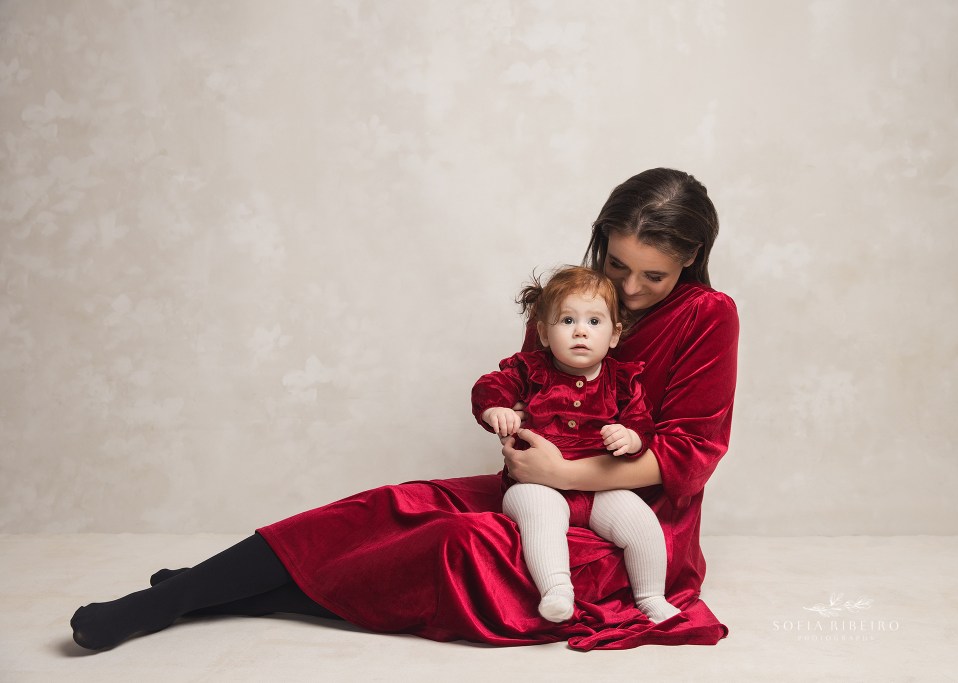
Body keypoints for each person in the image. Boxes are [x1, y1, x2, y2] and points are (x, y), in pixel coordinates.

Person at [70, 167, 738, 652]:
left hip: (630, 520)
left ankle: (205, 595)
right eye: (618, 266)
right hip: (539, 492)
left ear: (691, 259)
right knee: (394, 505)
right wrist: (515, 432)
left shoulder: (709, 316)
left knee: (461, 546)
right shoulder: (580, 298)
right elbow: (526, 387)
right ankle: (178, 595)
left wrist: (563, 476)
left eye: (653, 276)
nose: (629, 289)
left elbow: (689, 456)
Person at [473, 265, 680, 624]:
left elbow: (641, 423)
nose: (581, 331)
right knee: (542, 514)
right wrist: (496, 409)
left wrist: (630, 438)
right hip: (533, 483)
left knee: (641, 521)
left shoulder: (622, 381)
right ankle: (557, 591)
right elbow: (491, 386)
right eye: (567, 321)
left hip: (598, 484)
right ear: (543, 332)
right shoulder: (531, 370)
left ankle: (651, 597)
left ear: (614, 335)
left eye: (594, 322)